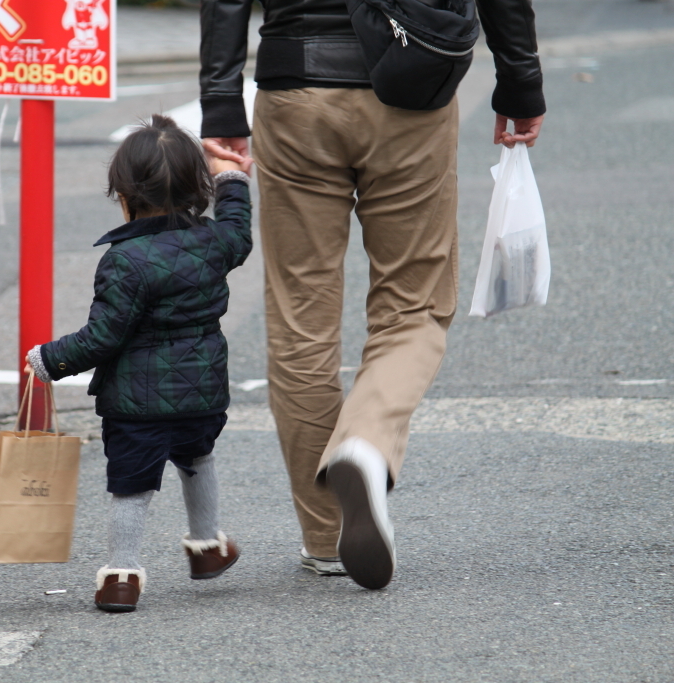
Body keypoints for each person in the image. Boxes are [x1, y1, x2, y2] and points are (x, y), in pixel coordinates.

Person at [198, 0, 546, 590]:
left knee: (299, 319)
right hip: (414, 82)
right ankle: (365, 441)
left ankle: (326, 537)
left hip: (295, 91)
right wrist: (521, 82)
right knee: (416, 306)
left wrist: (220, 100)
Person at [25, 114, 253, 612]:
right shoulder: (215, 242)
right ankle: (208, 546)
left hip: (136, 406)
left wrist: (49, 359)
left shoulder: (124, 260)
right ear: (199, 187)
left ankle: (121, 577)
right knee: (198, 458)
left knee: (131, 488)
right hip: (203, 395)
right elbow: (239, 228)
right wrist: (233, 177)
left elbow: (103, 337)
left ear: (123, 194)